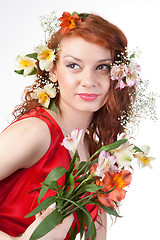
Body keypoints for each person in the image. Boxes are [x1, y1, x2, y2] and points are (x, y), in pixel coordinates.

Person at [0, 11, 135, 239]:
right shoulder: (36, 132)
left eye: (102, 67)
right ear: (53, 70)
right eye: (74, 66)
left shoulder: (97, 156)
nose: (89, 81)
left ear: (117, 75)